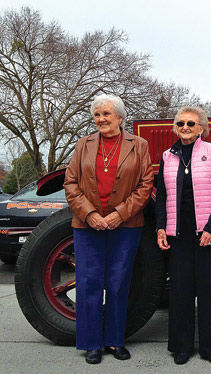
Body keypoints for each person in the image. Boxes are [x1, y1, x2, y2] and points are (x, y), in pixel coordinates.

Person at [64, 94, 154, 364]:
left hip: (125, 226)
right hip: (86, 226)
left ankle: (115, 341)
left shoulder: (139, 145)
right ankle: (91, 343)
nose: (101, 119)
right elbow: (70, 183)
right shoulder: (83, 145)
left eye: (106, 114)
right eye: (97, 115)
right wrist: (89, 214)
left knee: (118, 283)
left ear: (120, 117)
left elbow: (145, 185)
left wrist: (119, 214)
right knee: (89, 283)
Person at [155, 106, 211, 365]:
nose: (185, 128)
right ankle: (181, 347)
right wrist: (161, 227)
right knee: (180, 291)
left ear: (201, 128)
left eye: (190, 123)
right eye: (180, 124)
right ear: (175, 127)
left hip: (208, 233)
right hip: (179, 233)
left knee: (210, 290)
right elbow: (162, 195)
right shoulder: (167, 156)